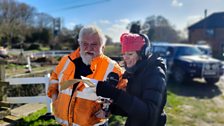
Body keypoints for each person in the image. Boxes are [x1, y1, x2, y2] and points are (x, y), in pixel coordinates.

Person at [47, 25, 126, 126]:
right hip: (63, 122)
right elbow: (54, 77)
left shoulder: (112, 67)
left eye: (94, 44)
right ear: (79, 43)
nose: (89, 48)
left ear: (102, 46)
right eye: (85, 44)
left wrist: (109, 110)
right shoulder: (66, 60)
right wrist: (54, 97)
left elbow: (123, 91)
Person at [96, 33, 167, 126]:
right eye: (124, 54)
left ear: (143, 54)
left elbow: (149, 113)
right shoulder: (136, 72)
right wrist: (112, 109)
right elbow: (134, 107)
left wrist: (115, 94)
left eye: (130, 54)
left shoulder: (155, 74)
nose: (125, 58)